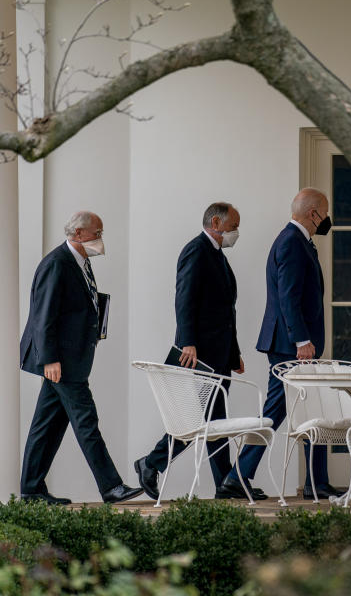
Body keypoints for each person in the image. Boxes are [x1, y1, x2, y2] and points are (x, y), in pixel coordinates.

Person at [215, 187, 340, 500]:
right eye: (324, 212)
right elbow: (288, 297)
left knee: (312, 409)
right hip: (291, 346)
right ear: (314, 214)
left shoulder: (297, 241)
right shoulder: (291, 243)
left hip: (292, 344)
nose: (326, 218)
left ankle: (315, 481)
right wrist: (302, 340)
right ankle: (238, 477)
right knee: (276, 411)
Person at [133, 203, 265, 500]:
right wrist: (188, 342)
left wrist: (234, 352)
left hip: (219, 353)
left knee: (214, 421)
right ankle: (151, 462)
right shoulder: (196, 250)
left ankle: (225, 484)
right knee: (199, 421)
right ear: (216, 222)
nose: (236, 233)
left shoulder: (217, 255)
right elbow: (185, 298)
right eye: (233, 226)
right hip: (199, 353)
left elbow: (225, 312)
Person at [19, 211, 143, 505]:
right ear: (77, 234)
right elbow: (43, 316)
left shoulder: (79, 262)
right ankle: (111, 486)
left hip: (70, 359)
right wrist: (50, 359)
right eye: (96, 233)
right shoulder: (56, 264)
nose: (100, 239)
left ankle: (31, 490)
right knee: (86, 421)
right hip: (61, 361)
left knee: (46, 425)